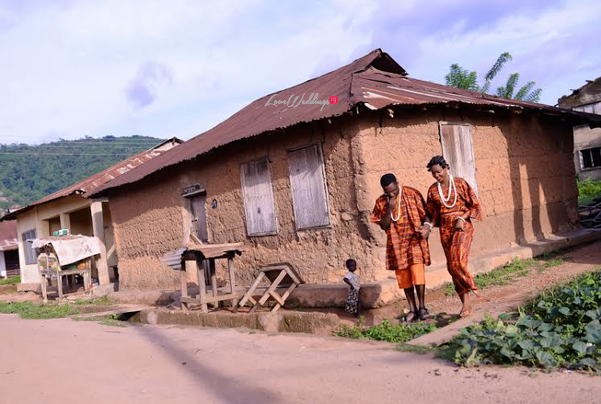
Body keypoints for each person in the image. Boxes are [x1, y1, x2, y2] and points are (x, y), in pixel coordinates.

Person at [425, 155, 483, 317]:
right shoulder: (433, 190)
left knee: (458, 261)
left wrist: (461, 218)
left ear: (446, 168)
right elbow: (430, 213)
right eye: (433, 173)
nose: (437, 175)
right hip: (445, 229)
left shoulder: (459, 183)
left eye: (439, 172)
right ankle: (466, 304)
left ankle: (473, 287)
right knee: (452, 267)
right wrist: (427, 226)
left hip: (461, 227)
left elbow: (475, 205)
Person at [370, 173, 433, 323]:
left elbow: (427, 214)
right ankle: (413, 309)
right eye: (387, 192)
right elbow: (383, 225)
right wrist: (389, 209)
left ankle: (423, 308)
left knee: (417, 274)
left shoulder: (412, 194)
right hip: (397, 245)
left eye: (393, 190)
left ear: (397, 184)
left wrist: (426, 227)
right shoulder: (381, 202)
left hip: (414, 241)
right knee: (404, 279)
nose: (391, 194)